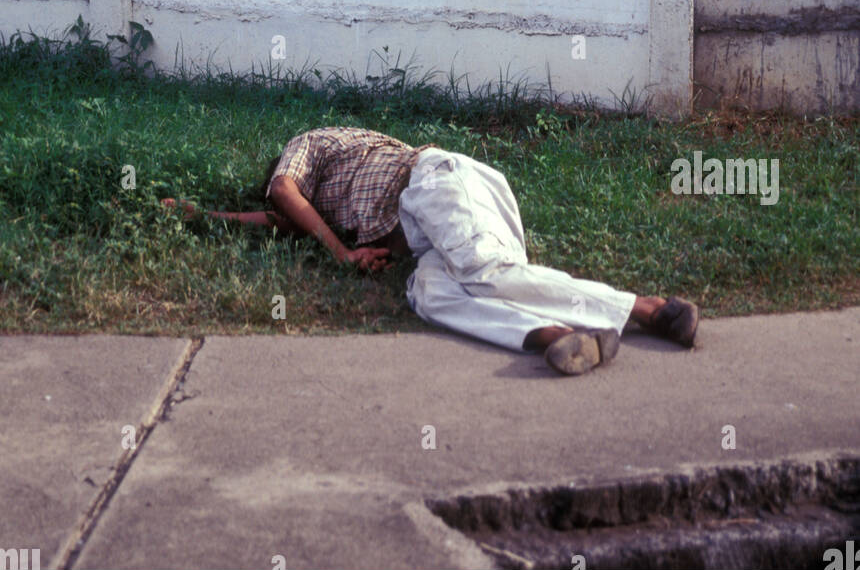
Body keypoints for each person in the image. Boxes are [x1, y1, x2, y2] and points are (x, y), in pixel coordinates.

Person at [167, 126, 699, 374]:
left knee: (483, 269)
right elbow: (277, 216)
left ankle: (649, 310)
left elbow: (283, 193)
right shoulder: (316, 214)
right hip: (421, 238)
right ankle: (554, 337)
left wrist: (339, 253)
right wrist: (198, 216)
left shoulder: (306, 146)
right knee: (428, 292)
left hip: (432, 182)